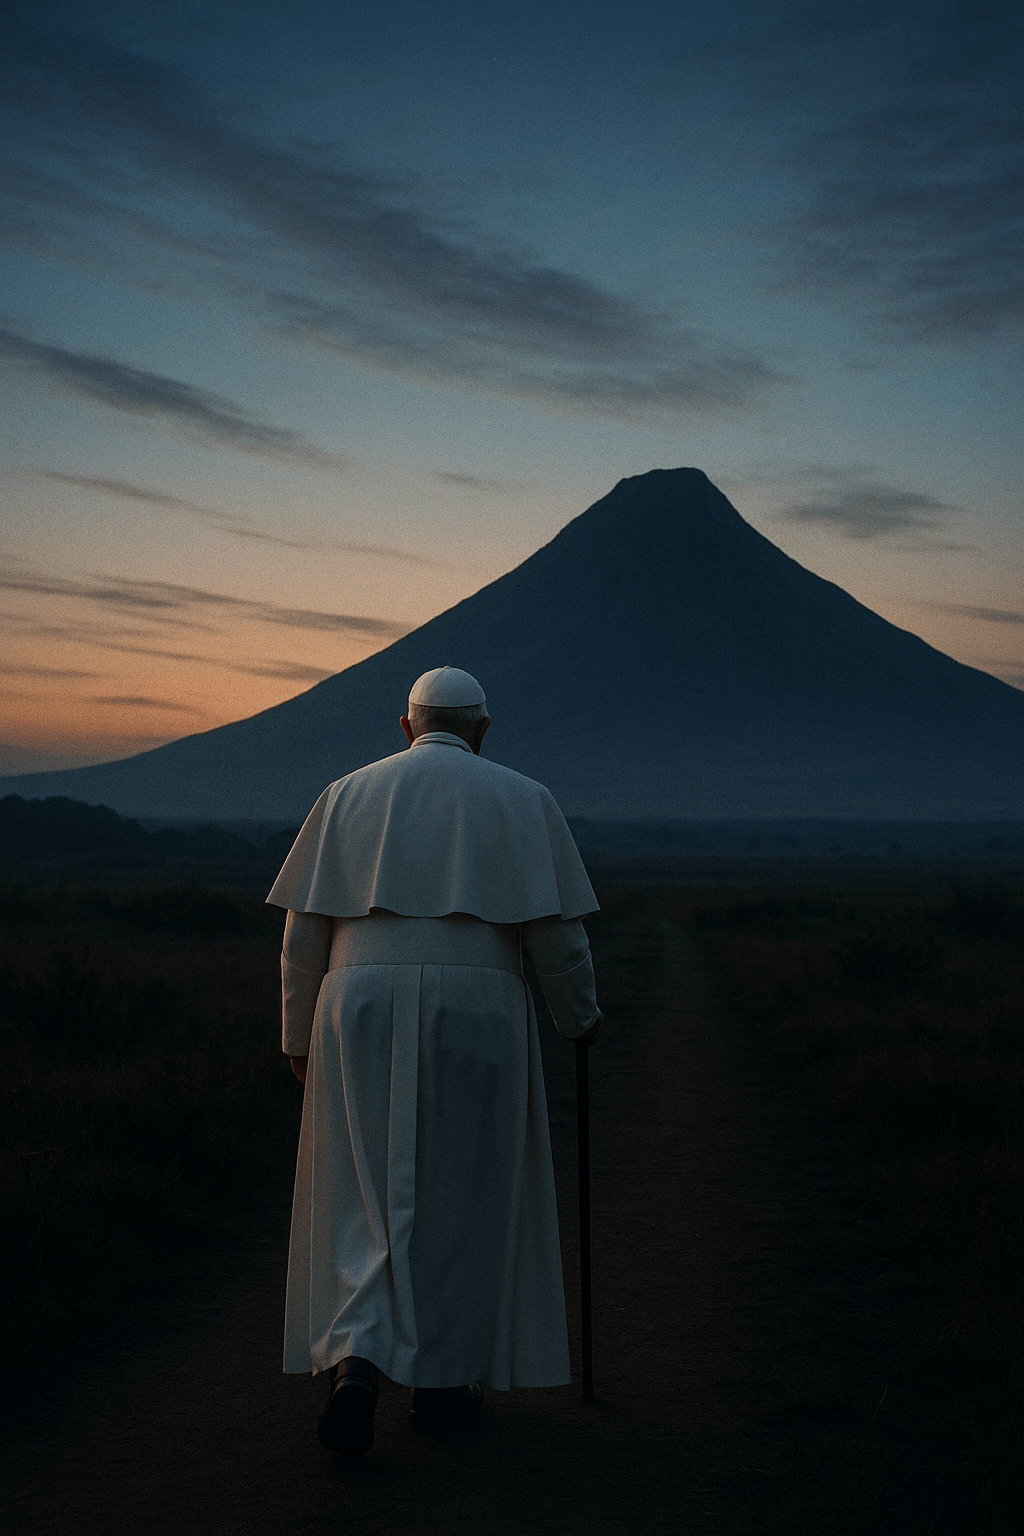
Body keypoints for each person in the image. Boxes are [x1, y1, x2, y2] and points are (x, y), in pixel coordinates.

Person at [267, 665, 602, 1456]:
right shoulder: (523, 797)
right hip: (478, 1006)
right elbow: (557, 935)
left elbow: (302, 938)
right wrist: (579, 1020)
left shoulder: (344, 794)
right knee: (460, 1186)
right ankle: (444, 1383)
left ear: (405, 726)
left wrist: (296, 1037)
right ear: (485, 729)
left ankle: (356, 1363)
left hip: (355, 1003)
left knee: (362, 1188)